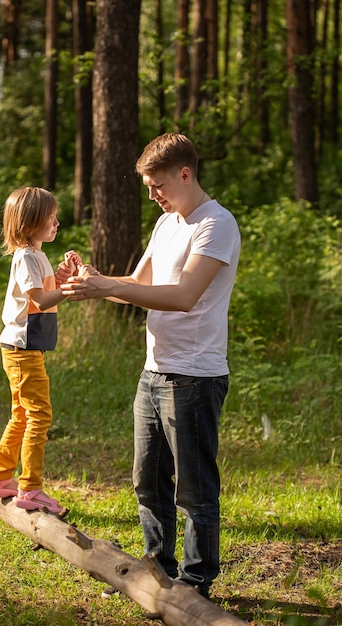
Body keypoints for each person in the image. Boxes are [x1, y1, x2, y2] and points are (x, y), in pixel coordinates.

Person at [58, 133, 241, 597]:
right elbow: (138, 284)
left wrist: (105, 288)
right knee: (147, 481)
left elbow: (182, 297)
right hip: (153, 370)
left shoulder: (215, 225)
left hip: (195, 375)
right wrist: (93, 281)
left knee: (194, 489)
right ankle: (159, 570)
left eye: (158, 185)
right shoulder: (166, 225)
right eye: (147, 188)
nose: (153, 195)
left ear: (185, 173)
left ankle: (195, 584)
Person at [0, 186, 82, 514]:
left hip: (22, 346)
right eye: (50, 218)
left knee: (23, 414)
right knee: (39, 415)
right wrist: (71, 290)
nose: (57, 223)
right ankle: (30, 488)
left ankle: (0, 480)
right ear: (28, 225)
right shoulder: (26, 256)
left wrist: (62, 276)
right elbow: (40, 300)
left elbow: (45, 288)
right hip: (23, 348)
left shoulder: (35, 255)